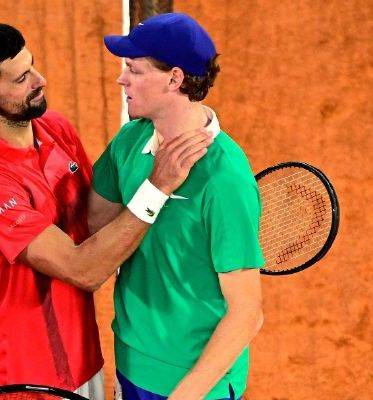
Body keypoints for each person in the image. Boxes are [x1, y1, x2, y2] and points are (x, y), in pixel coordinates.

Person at [0, 21, 213, 399]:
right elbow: (83, 269)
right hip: (25, 376)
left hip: (83, 359)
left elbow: (96, 220)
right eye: (21, 78)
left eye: (32, 66)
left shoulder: (55, 128)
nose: (40, 80)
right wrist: (158, 186)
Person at [88, 13, 265, 400]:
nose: (121, 80)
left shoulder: (224, 180)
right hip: (132, 361)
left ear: (174, 79)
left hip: (194, 382)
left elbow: (247, 314)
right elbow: (95, 226)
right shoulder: (129, 141)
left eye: (134, 70)